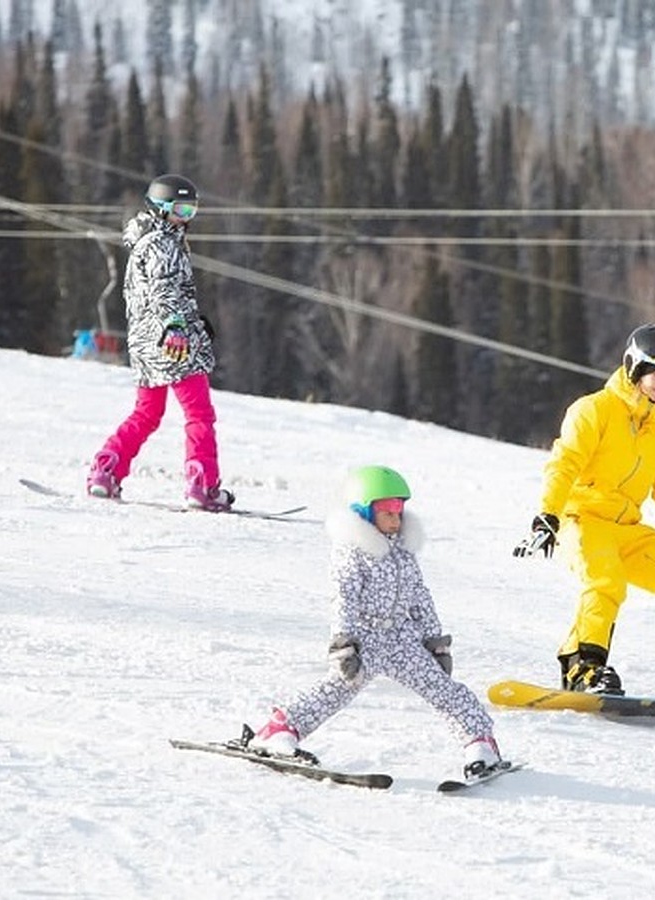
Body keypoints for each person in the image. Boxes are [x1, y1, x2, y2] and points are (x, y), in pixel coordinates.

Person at [513, 324, 655, 704]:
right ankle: (581, 667)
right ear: (635, 368)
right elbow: (564, 464)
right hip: (582, 520)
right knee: (606, 582)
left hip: (627, 528)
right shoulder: (594, 410)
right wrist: (547, 516)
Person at [248, 465, 504, 780]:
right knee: (334, 690)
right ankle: (278, 730)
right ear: (365, 513)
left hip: (402, 640)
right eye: (388, 512)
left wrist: (435, 642)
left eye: (400, 511)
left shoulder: (403, 551)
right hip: (365, 640)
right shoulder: (352, 554)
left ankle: (480, 743)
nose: (396, 520)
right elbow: (344, 599)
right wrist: (345, 645)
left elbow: (420, 597)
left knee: (445, 690)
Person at [85, 174, 232, 511]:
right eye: (180, 209)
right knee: (199, 413)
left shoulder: (145, 241)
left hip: (145, 343)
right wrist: (177, 325)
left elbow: (151, 295)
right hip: (171, 343)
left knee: (147, 412)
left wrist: (191, 320)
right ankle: (202, 484)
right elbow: (165, 290)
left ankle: (105, 470)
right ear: (161, 208)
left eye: (191, 210)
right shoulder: (163, 243)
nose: (185, 218)